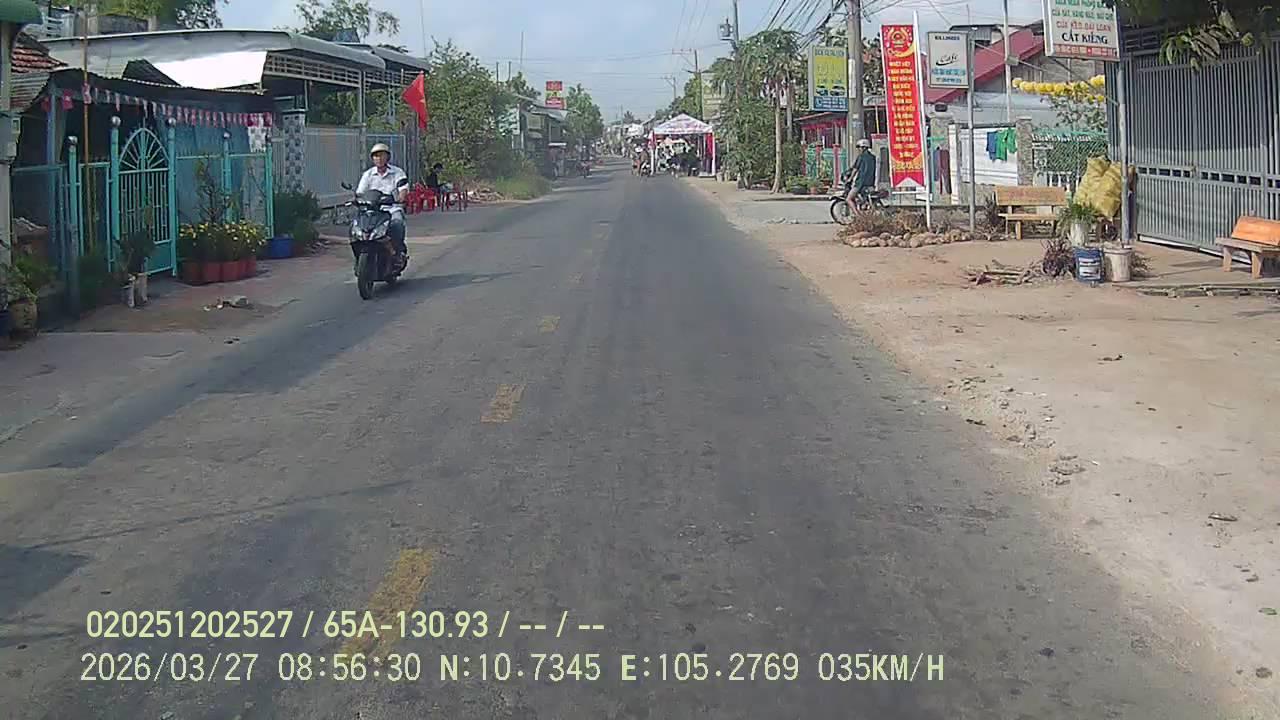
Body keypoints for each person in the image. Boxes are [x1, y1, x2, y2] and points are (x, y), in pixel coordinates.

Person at [356, 143, 408, 258]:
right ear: (372, 158)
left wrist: (401, 198)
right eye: (376, 156)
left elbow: (403, 188)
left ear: (387, 157)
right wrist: (357, 200)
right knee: (357, 226)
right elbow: (360, 192)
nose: (378, 158)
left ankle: (398, 251)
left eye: (381, 155)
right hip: (372, 211)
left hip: (391, 209)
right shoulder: (368, 174)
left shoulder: (397, 172)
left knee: (397, 223)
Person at [844, 138, 877, 209]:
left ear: (864, 148)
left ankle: (858, 215)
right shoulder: (873, 157)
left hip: (861, 183)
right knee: (863, 199)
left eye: (860, 147)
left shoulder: (861, 157)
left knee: (848, 199)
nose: (859, 149)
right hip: (871, 183)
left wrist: (850, 179)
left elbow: (855, 169)